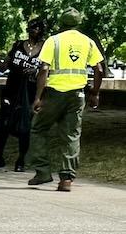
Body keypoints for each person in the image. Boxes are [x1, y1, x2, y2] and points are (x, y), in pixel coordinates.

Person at [26, 10, 106, 192]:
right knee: (71, 135)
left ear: (61, 23)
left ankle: (43, 172)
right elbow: (99, 69)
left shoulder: (53, 41)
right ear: (79, 23)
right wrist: (95, 92)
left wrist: (38, 97)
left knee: (38, 128)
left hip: (55, 93)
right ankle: (67, 179)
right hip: (77, 95)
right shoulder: (88, 41)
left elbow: (44, 69)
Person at [0, 17, 46, 171]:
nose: (33, 31)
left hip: (30, 91)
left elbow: (49, 71)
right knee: (3, 122)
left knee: (24, 125)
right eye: (31, 28)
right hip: (12, 88)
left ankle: (21, 160)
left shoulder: (46, 48)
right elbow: (3, 66)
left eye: (37, 28)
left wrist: (36, 70)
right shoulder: (18, 45)